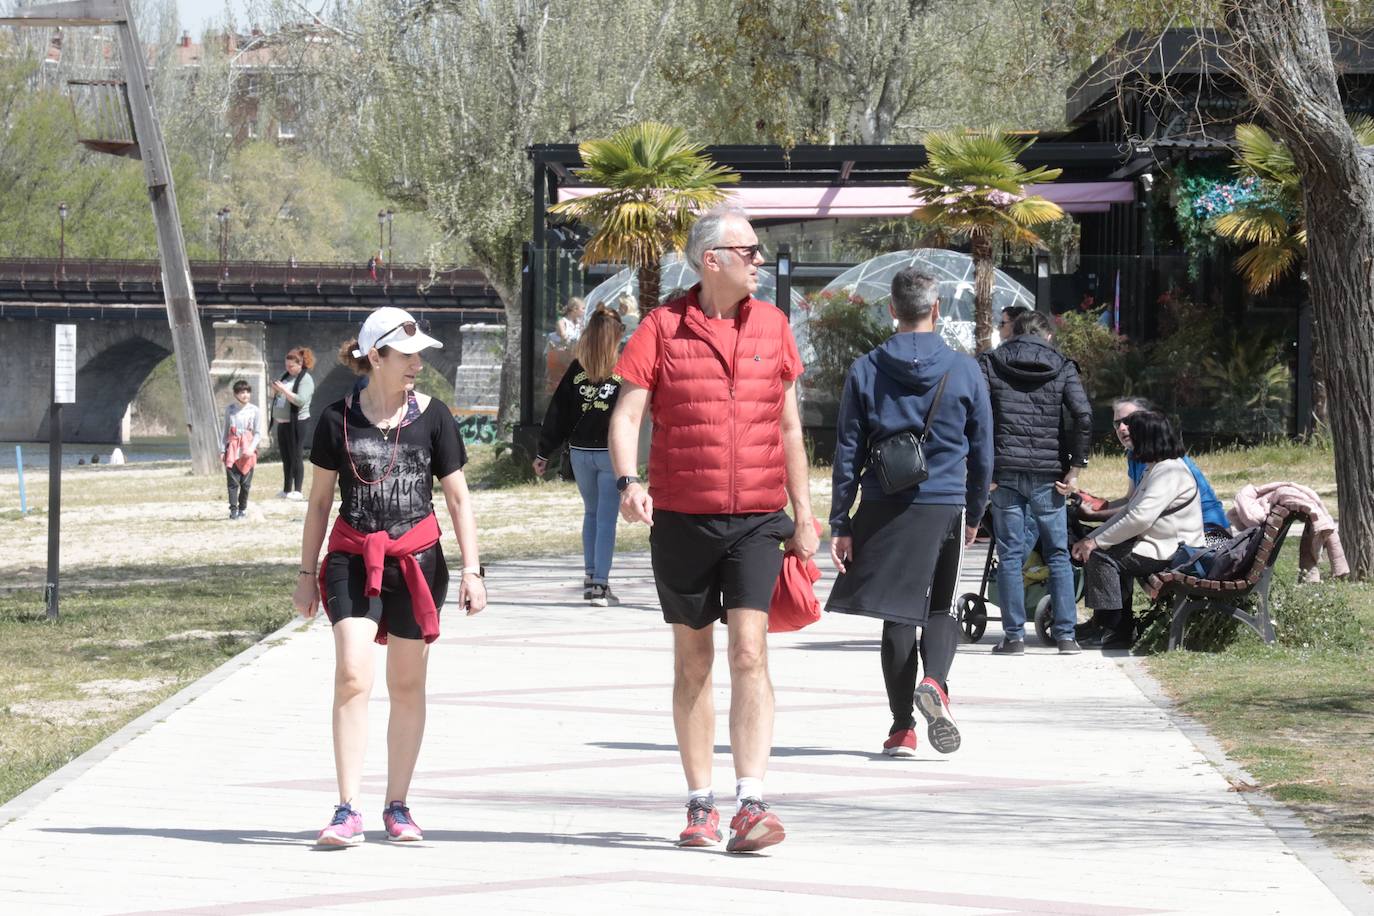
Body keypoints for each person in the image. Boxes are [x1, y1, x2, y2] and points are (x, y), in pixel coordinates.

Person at [608, 205, 818, 854]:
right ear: (712, 260)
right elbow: (627, 416)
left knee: (750, 651)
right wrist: (627, 482)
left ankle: (750, 799)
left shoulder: (774, 326)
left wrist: (804, 512)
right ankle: (700, 801)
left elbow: (788, 429)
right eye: (749, 251)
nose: (760, 261)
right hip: (681, 517)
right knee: (694, 659)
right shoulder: (662, 327)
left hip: (757, 518)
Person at [291, 306, 487, 847]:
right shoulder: (336, 419)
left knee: (406, 684)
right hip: (351, 557)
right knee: (353, 674)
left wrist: (473, 570)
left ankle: (396, 805)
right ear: (374, 356)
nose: (417, 364)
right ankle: (346, 808)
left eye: (419, 355)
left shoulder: (435, 416)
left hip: (419, 563)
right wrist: (307, 574)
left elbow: (457, 497)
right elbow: (319, 505)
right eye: (407, 355)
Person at [827, 268, 992, 758]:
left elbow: (848, 450)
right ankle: (936, 683)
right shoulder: (965, 370)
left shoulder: (866, 369)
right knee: (940, 606)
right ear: (936, 309)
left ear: (892, 310)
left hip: (884, 503)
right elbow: (983, 449)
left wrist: (841, 520)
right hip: (945, 503)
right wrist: (975, 510)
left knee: (896, 614)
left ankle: (902, 728)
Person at [980, 309, 1093, 656]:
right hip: (1050, 475)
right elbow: (1083, 415)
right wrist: (1075, 468)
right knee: (1058, 554)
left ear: (1013, 332)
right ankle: (1065, 636)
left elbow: (976, 414)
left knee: (1010, 554)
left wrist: (985, 471)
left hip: (1004, 472)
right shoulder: (1062, 365)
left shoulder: (991, 362)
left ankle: (1013, 637)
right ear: (1047, 336)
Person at [1070, 410, 1203, 650]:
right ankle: (1104, 622)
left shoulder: (1170, 471)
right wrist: (1092, 537)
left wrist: (1096, 543)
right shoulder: (1156, 468)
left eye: (1135, 432)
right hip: (1159, 544)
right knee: (1102, 551)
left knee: (1102, 557)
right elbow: (1129, 511)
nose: (1127, 435)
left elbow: (1139, 519)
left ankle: (1114, 628)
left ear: (1148, 437)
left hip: (1174, 550)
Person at [533, 305, 626, 606]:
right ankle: (600, 585)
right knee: (606, 520)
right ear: (616, 337)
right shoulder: (623, 369)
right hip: (610, 455)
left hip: (580, 454)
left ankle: (590, 579)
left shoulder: (576, 369)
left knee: (591, 514)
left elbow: (557, 413)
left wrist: (544, 452)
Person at [1078, 396, 1230, 545]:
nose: (1122, 428)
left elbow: (1139, 513)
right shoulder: (1136, 455)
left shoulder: (1164, 462)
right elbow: (1130, 500)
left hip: (1208, 536)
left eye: (1130, 421)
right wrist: (1094, 503)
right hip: (1171, 533)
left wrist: (1094, 516)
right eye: (1117, 423)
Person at [271, 347, 316, 500]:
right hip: (283, 422)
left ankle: (298, 490)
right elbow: (279, 397)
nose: (288, 368)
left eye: (291, 366)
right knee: (286, 456)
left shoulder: (306, 379)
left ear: (300, 364)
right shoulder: (286, 377)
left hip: (298, 423)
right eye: (287, 365)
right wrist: (275, 391)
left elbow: (300, 400)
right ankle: (286, 489)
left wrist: (283, 390)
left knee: (296, 455)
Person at [221, 379, 261, 520]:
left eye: (247, 392)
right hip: (232, 449)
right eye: (242, 392)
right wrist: (221, 450)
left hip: (248, 449)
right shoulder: (230, 410)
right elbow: (225, 431)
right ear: (235, 394)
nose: (245, 395)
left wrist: (251, 448)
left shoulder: (255, 410)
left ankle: (242, 509)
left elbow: (258, 433)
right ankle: (233, 511)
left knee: (245, 483)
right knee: (232, 483)